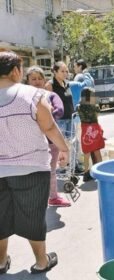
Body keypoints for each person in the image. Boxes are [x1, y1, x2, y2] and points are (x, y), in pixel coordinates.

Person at [0, 51, 69, 274]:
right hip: (31, 167)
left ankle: (0, 262)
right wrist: (64, 148)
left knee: (0, 217)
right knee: (33, 216)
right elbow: (49, 127)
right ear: (15, 71)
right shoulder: (32, 94)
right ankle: (41, 262)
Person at [26, 66, 71, 207]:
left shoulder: (50, 95)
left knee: (51, 170)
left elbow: (60, 110)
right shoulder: (22, 96)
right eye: (33, 79)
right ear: (27, 81)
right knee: (31, 172)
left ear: (44, 80)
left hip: (51, 140)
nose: (37, 81)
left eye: (40, 78)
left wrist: (48, 113)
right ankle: (32, 199)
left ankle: (53, 197)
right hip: (29, 141)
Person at [76, 87, 105, 182]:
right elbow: (97, 117)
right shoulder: (95, 107)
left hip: (85, 130)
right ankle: (101, 171)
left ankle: (86, 173)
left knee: (86, 153)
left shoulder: (78, 107)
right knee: (97, 152)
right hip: (95, 130)